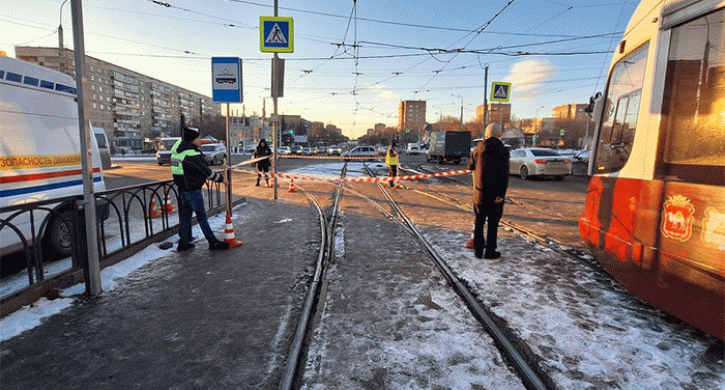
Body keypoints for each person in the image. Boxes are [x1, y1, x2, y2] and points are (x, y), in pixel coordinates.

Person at [171, 127, 230, 251]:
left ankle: (184, 243)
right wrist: (222, 179)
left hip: (182, 190)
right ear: (192, 140)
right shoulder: (191, 155)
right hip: (193, 191)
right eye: (198, 138)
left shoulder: (177, 153)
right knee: (202, 217)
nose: (200, 140)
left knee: (185, 217)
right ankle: (213, 242)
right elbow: (205, 172)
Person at [468, 123, 509, 259]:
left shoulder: (477, 149)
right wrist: (501, 194)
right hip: (495, 194)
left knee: (479, 221)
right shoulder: (503, 151)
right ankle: (490, 251)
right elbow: (504, 175)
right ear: (499, 135)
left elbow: (470, 166)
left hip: (480, 193)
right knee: (492, 224)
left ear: (486, 134)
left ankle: (478, 251)